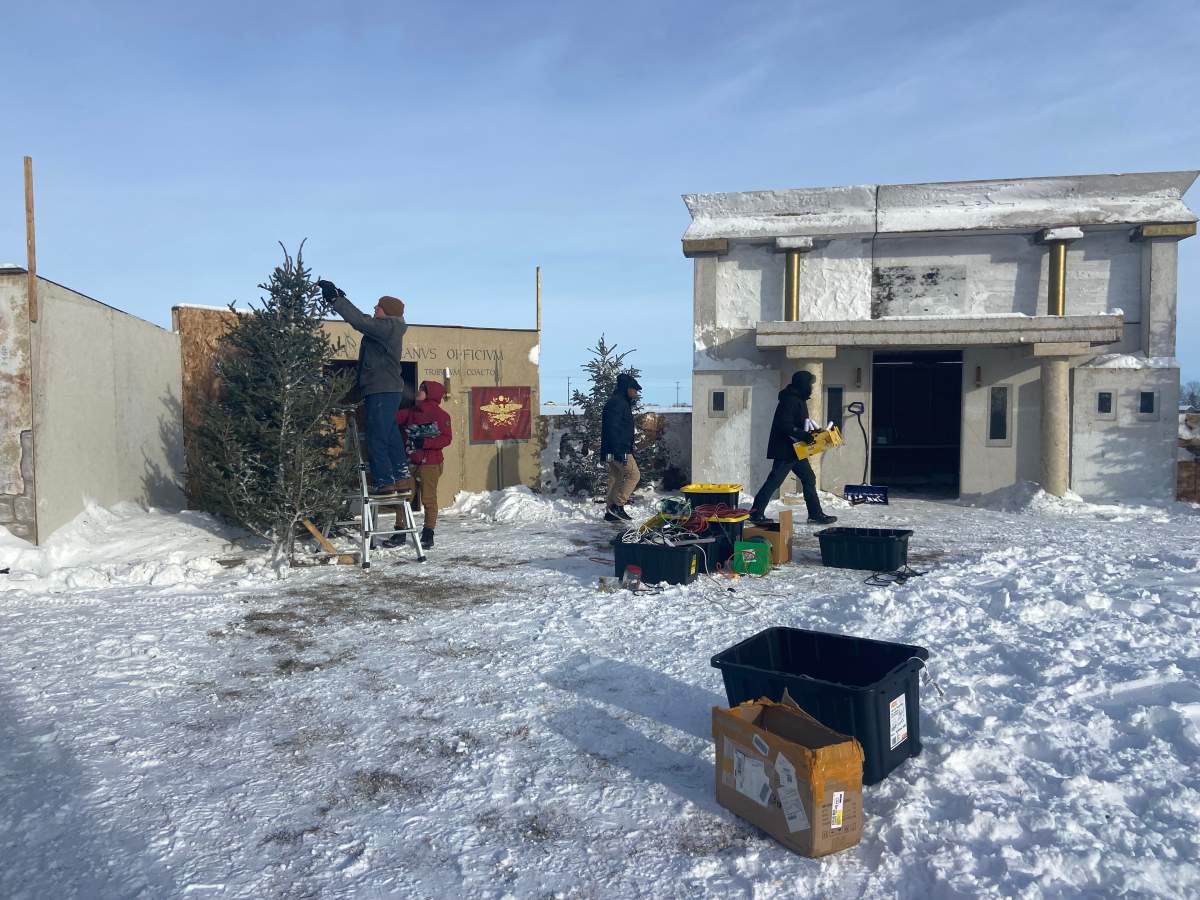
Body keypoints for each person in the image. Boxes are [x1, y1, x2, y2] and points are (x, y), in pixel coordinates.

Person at [317, 279, 412, 494]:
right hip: (386, 389)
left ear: (387, 311)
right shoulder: (389, 328)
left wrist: (336, 300)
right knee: (389, 434)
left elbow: (361, 321)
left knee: (376, 435)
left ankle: (384, 481)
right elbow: (365, 319)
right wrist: (342, 299)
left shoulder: (387, 327)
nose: (374, 308)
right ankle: (401, 477)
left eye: (378, 306)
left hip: (381, 389)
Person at [748, 370, 838, 525]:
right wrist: (803, 434)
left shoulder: (799, 400)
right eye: (810, 383)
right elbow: (784, 425)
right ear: (802, 384)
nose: (811, 387)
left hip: (797, 450)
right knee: (774, 481)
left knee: (809, 478)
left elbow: (798, 425)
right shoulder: (789, 400)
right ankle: (756, 513)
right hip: (786, 450)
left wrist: (812, 434)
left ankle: (815, 514)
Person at [395, 380, 453, 549]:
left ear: (431, 394)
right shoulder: (411, 412)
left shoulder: (442, 416)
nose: (419, 391)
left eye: (423, 389)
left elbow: (446, 438)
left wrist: (424, 443)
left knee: (428, 498)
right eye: (419, 388)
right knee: (404, 496)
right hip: (411, 461)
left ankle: (428, 534)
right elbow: (392, 417)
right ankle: (399, 532)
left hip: (431, 463)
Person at [600, 372, 642, 522]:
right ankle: (618, 505)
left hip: (612, 449)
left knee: (616, 477)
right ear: (627, 388)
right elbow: (613, 429)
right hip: (619, 450)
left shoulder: (617, 402)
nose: (636, 393)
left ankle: (610, 512)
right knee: (634, 474)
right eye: (634, 390)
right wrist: (620, 452)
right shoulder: (619, 403)